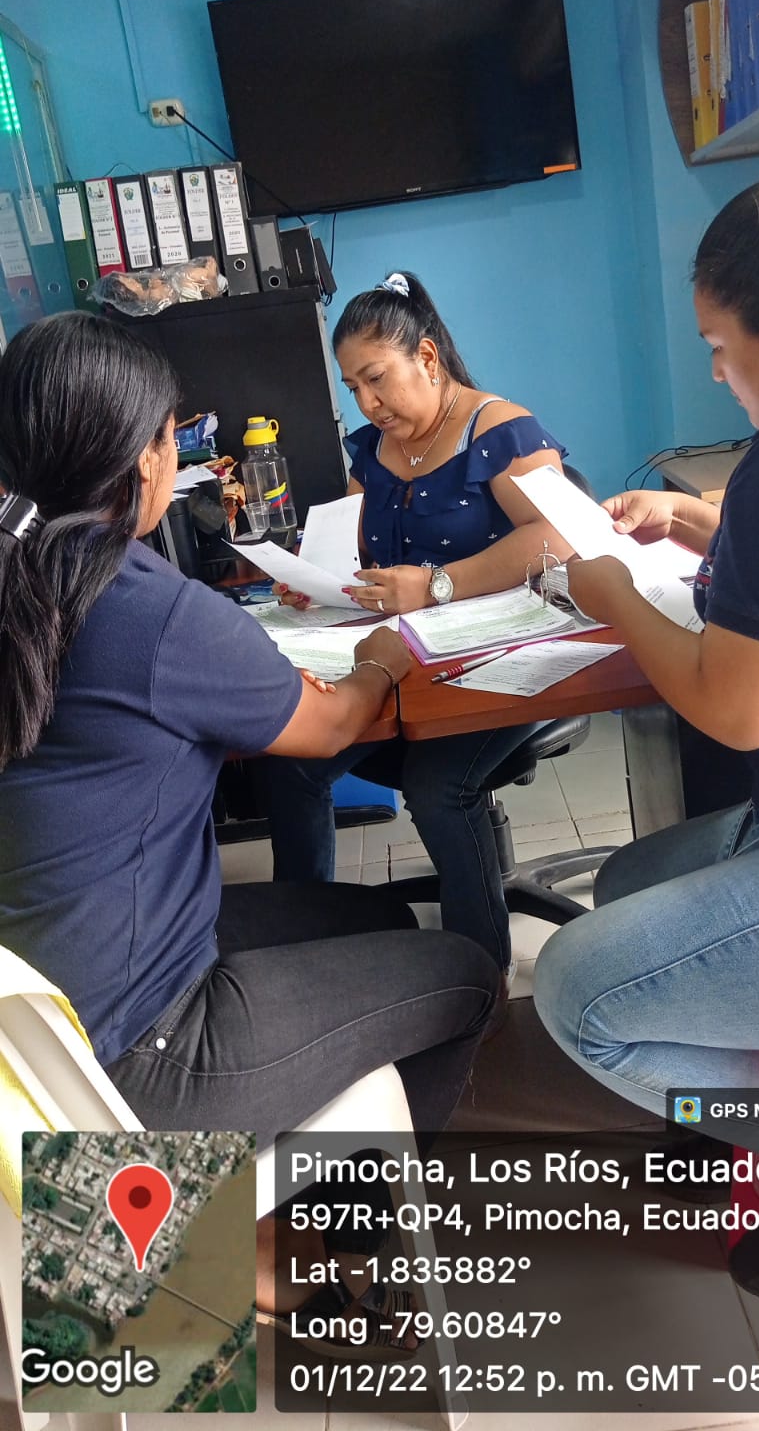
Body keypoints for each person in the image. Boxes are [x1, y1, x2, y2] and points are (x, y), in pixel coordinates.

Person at [0, 311, 498, 1340]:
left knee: (373, 920)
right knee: (464, 973)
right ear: (141, 460)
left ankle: (265, 1225)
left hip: (40, 1031)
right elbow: (332, 726)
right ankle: (317, 1251)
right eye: (170, 440)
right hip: (137, 1056)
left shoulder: (21, 574)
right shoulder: (144, 608)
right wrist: (381, 662)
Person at [533, 169, 759, 1302]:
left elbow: (740, 710)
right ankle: (732, 1098)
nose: (713, 372)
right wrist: (702, 519)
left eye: (718, 346)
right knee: (628, 877)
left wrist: (614, 599)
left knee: (576, 994)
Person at [263, 271, 571, 976]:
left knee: (438, 786)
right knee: (294, 760)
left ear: (426, 358)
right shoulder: (373, 449)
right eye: (353, 388)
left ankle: (478, 973)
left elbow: (559, 536)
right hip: (408, 660)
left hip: (504, 658)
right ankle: (303, 948)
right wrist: (314, 579)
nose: (367, 404)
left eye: (376, 380)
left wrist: (437, 585)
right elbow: (351, 544)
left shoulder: (499, 429)